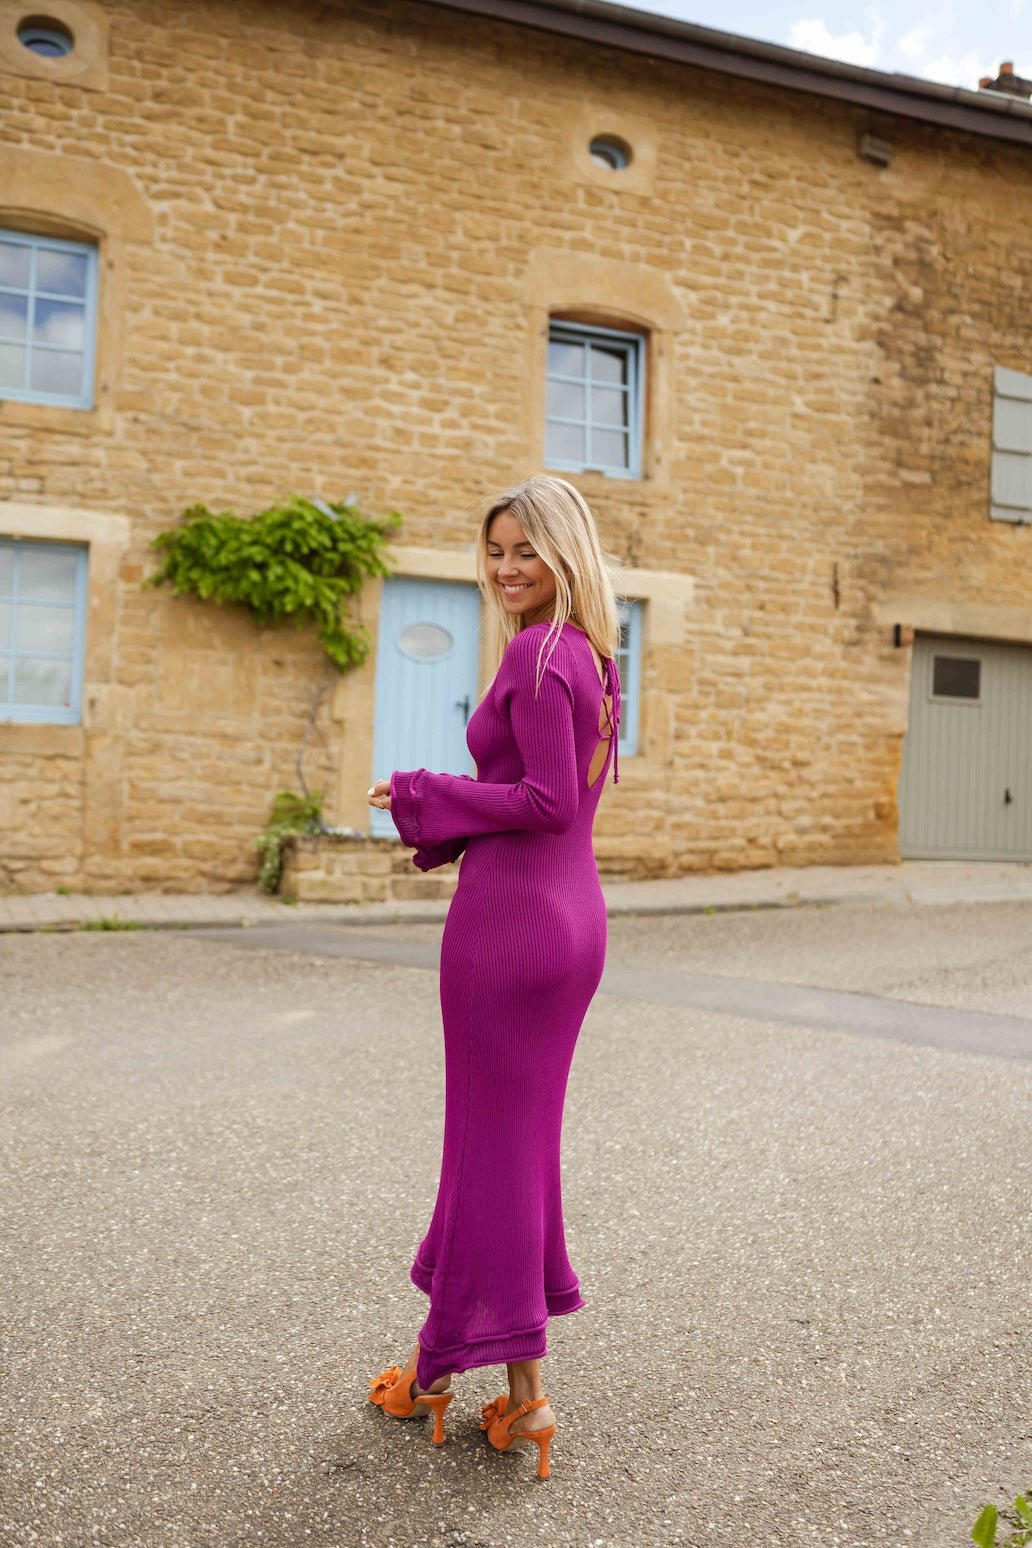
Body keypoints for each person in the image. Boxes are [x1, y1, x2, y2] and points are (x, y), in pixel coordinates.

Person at [365, 473, 622, 1480]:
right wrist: (439, 814)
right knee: (511, 1152)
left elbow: (544, 800)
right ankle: (496, 1381)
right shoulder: (593, 655)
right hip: (568, 918)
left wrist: (425, 791)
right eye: (496, 551)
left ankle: (479, 1382)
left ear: (565, 553)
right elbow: (551, 799)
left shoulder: (539, 652)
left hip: (514, 931)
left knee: (491, 1152)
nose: (508, 568)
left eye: (527, 551)